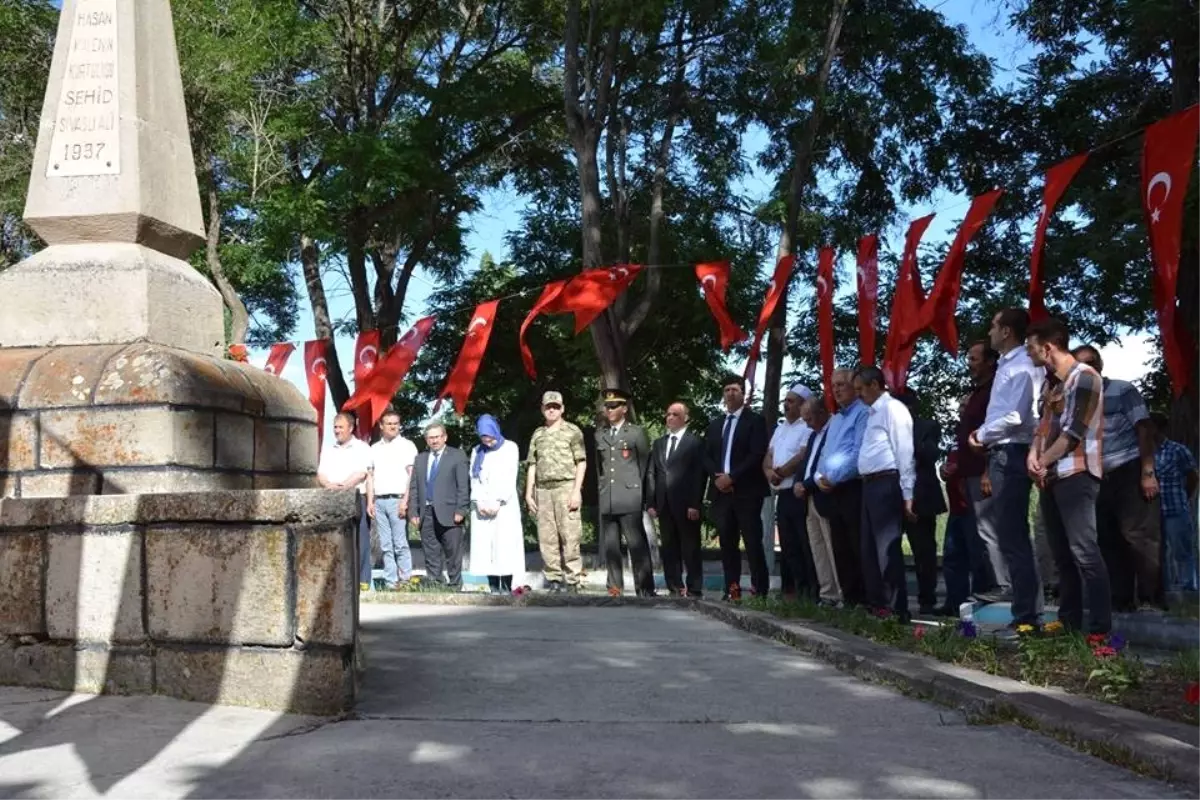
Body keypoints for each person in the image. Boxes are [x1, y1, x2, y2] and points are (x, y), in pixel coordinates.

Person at [1026, 318, 1109, 634]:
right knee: (1062, 557)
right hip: (1050, 475)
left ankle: (1100, 630)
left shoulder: (1085, 378)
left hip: (1077, 473)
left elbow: (1074, 432)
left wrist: (1042, 462)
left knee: (1085, 552)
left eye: (1031, 349)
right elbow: (1043, 427)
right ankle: (1069, 622)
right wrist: (1034, 456)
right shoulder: (1052, 384)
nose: (1030, 355)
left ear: (1048, 348)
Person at [1073, 345, 1163, 611]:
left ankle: (1151, 600)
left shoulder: (1122, 390)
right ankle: (1120, 601)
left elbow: (1144, 428)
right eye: (1081, 366)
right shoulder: (1077, 399)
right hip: (1096, 475)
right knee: (1107, 538)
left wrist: (1148, 471)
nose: (1088, 370)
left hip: (1128, 467)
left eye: (1091, 364)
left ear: (1100, 364)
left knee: (1139, 536)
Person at [968, 308, 1043, 626]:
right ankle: (1025, 611)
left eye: (994, 326)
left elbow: (1016, 416)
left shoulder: (1023, 366)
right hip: (1002, 451)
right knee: (1008, 533)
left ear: (1008, 332)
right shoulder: (1008, 364)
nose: (990, 330)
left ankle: (1027, 616)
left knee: (1013, 535)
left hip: (1012, 451)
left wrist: (981, 434)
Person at [854, 367, 916, 620]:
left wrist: (907, 492)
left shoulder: (893, 410)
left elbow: (904, 451)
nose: (858, 395)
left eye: (861, 389)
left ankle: (896, 607)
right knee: (868, 548)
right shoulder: (872, 413)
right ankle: (878, 604)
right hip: (869, 484)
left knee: (885, 548)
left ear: (875, 385)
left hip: (886, 482)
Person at [702, 373, 770, 599]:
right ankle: (732, 588)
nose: (730, 394)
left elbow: (756, 453)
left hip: (747, 491)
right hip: (721, 493)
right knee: (727, 542)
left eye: (735, 390)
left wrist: (733, 477)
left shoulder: (755, 421)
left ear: (744, 394)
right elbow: (707, 456)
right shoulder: (715, 425)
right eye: (727, 390)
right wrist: (718, 477)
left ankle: (759, 590)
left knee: (752, 541)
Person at [814, 368, 870, 606]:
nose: (836, 389)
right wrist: (819, 477)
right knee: (840, 547)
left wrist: (834, 477)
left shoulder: (863, 414)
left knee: (857, 544)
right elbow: (825, 454)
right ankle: (849, 599)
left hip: (852, 486)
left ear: (854, 387)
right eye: (833, 385)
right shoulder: (835, 419)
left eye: (841, 385)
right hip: (831, 489)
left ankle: (865, 600)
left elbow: (859, 452)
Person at [525, 391, 588, 593]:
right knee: (547, 537)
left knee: (570, 535)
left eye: (556, 406)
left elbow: (581, 462)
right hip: (543, 490)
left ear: (562, 408)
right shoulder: (538, 434)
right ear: (542, 409)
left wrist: (576, 491)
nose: (552, 410)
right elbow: (532, 465)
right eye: (548, 406)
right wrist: (529, 493)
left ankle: (573, 580)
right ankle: (553, 578)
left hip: (566, 487)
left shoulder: (572, 431)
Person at [595, 388, 654, 596]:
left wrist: (647, 499)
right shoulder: (600, 434)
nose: (609, 410)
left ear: (624, 408)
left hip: (630, 497)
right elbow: (599, 468)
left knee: (636, 545)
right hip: (609, 497)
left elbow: (646, 467)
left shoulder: (636, 433)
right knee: (611, 547)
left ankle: (644, 587)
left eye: (614, 406)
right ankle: (614, 587)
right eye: (607, 406)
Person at [646, 401, 707, 597]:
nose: (670, 418)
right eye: (668, 414)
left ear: (685, 418)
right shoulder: (659, 443)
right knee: (669, 547)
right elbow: (652, 474)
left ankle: (694, 587)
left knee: (690, 547)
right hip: (664, 505)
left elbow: (699, 475)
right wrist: (651, 502)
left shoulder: (694, 443)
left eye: (675, 414)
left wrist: (694, 503)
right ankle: (674, 585)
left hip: (686, 504)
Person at [894, 388, 946, 614]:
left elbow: (930, 456)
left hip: (921, 499)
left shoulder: (927, 427)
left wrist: (907, 438)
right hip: (893, 498)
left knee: (924, 552)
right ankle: (896, 599)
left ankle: (927, 599)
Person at [765, 384, 817, 599]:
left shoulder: (807, 427)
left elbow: (803, 456)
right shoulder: (780, 428)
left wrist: (782, 472)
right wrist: (769, 472)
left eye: (791, 401)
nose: (786, 405)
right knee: (787, 545)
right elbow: (769, 454)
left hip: (799, 493)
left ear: (803, 404)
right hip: (782, 493)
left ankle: (809, 591)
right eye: (785, 401)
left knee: (803, 543)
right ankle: (791, 590)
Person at [408, 423, 470, 589]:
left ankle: (455, 584)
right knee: (430, 551)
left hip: (450, 512)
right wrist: (413, 511)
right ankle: (435, 583)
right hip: (426, 512)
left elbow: (463, 486)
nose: (434, 441)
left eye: (437, 437)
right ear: (426, 440)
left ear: (444, 437)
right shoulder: (420, 459)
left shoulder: (457, 456)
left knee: (453, 552)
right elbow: (414, 487)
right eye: (430, 438)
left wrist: (461, 509)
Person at [468, 414, 525, 594]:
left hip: (504, 505)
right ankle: (492, 585)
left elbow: (510, 476)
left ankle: (507, 585)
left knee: (505, 544)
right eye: (484, 438)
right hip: (483, 506)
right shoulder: (477, 451)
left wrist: (498, 501)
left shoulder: (509, 448)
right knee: (485, 546)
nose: (488, 441)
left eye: (490, 437)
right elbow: (473, 478)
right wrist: (478, 502)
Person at [317, 412, 373, 592]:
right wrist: (329, 485)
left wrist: (344, 486)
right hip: (332, 497)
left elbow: (362, 473)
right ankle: (339, 579)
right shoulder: (328, 448)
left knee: (360, 539)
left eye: (341, 427)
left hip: (355, 496)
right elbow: (321, 473)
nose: (337, 431)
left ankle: (363, 580)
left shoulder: (362, 448)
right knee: (335, 539)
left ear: (351, 428)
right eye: (335, 427)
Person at [367, 410, 418, 591]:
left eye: (396, 423)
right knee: (386, 545)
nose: (393, 426)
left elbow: (412, 476)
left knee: (400, 543)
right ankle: (390, 581)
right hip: (380, 500)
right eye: (389, 423)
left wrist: (406, 500)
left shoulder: (407, 446)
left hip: (397, 499)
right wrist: (370, 502)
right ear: (381, 426)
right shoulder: (374, 448)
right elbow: (370, 477)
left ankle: (405, 580)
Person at [797, 395, 841, 606]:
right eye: (804, 420)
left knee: (833, 546)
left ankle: (841, 593)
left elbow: (826, 465)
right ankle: (827, 593)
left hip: (826, 494)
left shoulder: (833, 430)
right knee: (817, 546)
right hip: (810, 498)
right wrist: (799, 482)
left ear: (822, 413)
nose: (807, 424)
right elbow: (807, 462)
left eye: (810, 419)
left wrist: (807, 485)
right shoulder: (813, 436)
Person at [1151, 413, 1199, 592]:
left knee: (1182, 550)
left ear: (1159, 428)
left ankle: (1188, 589)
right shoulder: (1145, 452)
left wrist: (1186, 496)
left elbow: (1193, 476)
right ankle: (1164, 589)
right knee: (1158, 553)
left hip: (1175, 508)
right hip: (1154, 512)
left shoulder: (1177, 450)